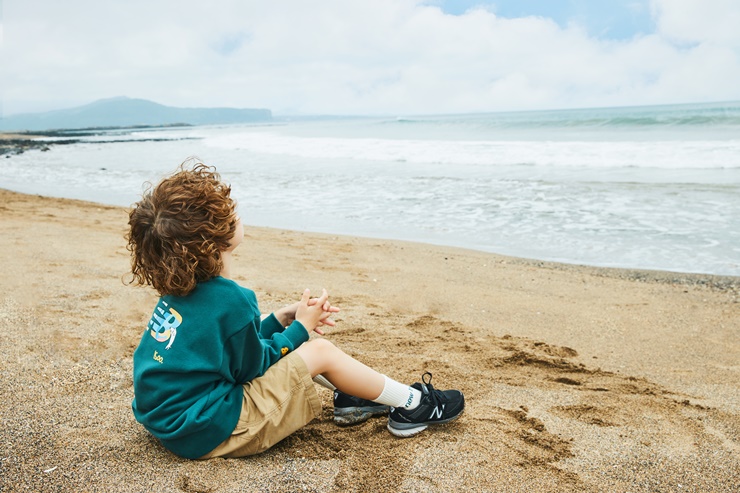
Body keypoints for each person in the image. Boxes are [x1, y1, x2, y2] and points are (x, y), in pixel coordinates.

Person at [126, 162, 464, 459]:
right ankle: (414, 405)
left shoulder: (179, 289)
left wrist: (280, 320)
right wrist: (300, 329)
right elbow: (253, 366)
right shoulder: (232, 300)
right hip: (209, 430)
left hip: (172, 423)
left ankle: (352, 397)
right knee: (319, 351)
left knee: (293, 344)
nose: (236, 213)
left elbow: (227, 349)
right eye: (229, 212)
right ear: (215, 239)